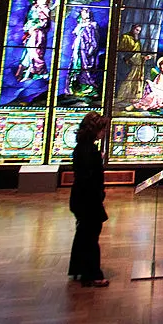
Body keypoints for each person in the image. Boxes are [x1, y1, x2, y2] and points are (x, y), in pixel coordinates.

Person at [69, 111, 110, 287]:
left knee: (83, 234)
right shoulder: (89, 150)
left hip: (81, 198)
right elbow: (89, 177)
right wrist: (98, 196)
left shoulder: (83, 147)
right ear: (96, 130)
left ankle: (78, 268)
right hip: (88, 200)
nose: (104, 133)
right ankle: (92, 274)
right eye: (103, 129)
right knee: (90, 236)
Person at [16, 0, 53, 81]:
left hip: (38, 34)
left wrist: (34, 27)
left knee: (35, 52)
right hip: (30, 32)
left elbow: (44, 22)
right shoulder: (35, 6)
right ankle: (23, 72)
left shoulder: (45, 9)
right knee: (28, 52)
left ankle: (39, 72)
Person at [117, 24, 151, 102]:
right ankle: (123, 97)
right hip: (127, 63)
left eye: (139, 31)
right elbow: (121, 50)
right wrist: (126, 59)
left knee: (136, 80)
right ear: (132, 29)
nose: (137, 32)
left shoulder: (137, 40)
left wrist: (144, 58)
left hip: (137, 64)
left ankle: (133, 97)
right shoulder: (125, 37)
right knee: (127, 79)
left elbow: (138, 53)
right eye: (136, 30)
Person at [70, 7, 100, 96]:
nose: (85, 14)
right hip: (78, 49)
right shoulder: (79, 25)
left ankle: (87, 86)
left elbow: (94, 39)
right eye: (83, 12)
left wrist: (91, 49)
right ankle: (76, 86)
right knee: (77, 67)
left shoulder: (93, 25)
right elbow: (75, 34)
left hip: (87, 50)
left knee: (86, 68)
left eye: (87, 12)